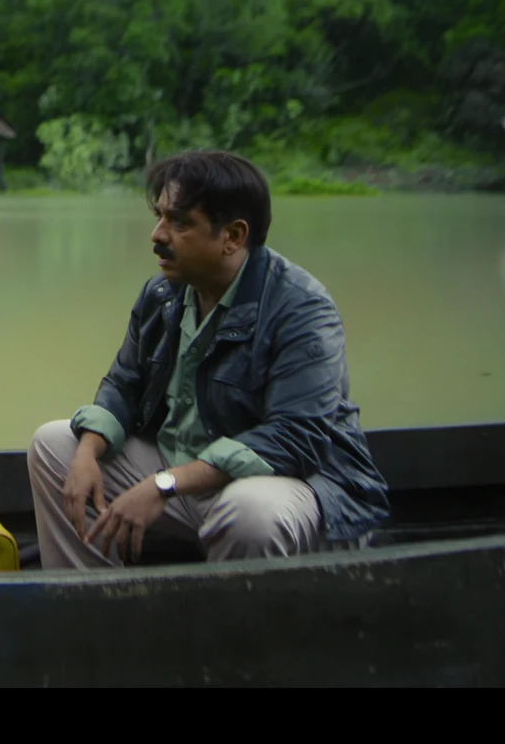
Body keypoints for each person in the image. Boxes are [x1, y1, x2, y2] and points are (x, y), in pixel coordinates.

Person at [28, 150, 390, 569]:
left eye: (179, 223)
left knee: (250, 512)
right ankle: (88, 599)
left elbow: (296, 438)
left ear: (233, 236)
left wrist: (164, 485)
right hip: (185, 478)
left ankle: (231, 610)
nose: (157, 235)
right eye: (160, 216)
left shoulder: (301, 308)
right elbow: (124, 384)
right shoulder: (163, 294)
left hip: (293, 487)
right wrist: (88, 452)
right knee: (55, 444)